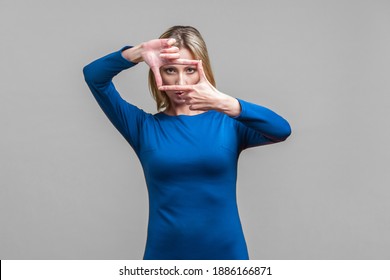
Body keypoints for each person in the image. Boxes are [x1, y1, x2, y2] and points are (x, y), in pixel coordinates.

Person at [83, 25, 291, 260]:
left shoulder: (228, 124)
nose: (181, 81)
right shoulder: (144, 128)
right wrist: (137, 53)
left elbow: (281, 130)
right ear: (157, 72)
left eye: (190, 69)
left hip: (226, 256)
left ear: (203, 71)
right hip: (164, 257)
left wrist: (224, 102)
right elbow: (94, 76)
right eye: (170, 69)